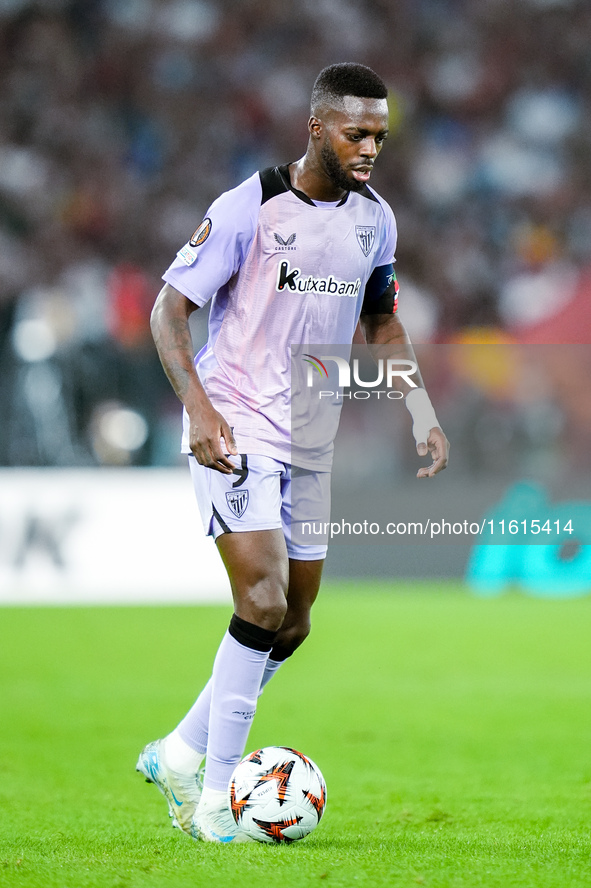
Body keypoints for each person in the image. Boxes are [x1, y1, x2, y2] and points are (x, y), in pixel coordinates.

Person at [137, 62, 449, 843]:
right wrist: (199, 410)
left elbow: (380, 322)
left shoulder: (377, 219)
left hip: (310, 429)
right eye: (356, 132)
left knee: (295, 621)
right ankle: (212, 803)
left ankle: (177, 751)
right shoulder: (249, 206)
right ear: (317, 127)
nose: (371, 147)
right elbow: (168, 310)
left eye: (379, 134)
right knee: (263, 603)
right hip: (235, 423)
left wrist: (418, 410)